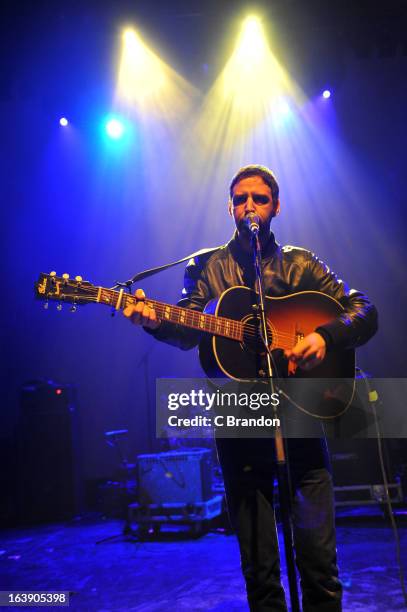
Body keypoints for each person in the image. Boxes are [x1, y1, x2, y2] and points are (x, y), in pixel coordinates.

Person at [123, 165, 378, 611]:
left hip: (301, 422)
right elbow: (188, 327)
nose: (249, 208)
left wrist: (324, 337)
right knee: (260, 572)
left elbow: (363, 308)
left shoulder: (300, 263)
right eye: (240, 199)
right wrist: (154, 321)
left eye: (259, 199)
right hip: (242, 424)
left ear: (275, 207)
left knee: (319, 565)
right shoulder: (207, 266)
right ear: (230, 207)